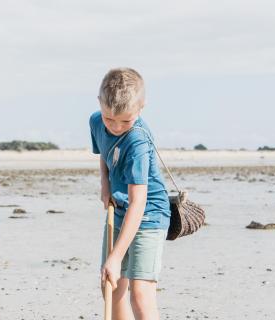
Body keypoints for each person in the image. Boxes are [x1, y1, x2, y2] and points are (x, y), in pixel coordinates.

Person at [90, 68, 171, 320]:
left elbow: (139, 202)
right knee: (111, 289)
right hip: (120, 207)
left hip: (147, 214)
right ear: (100, 106)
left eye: (125, 120)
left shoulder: (137, 141)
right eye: (109, 119)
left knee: (140, 294)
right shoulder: (96, 121)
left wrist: (114, 258)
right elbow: (104, 153)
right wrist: (105, 184)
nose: (115, 127)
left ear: (141, 107)